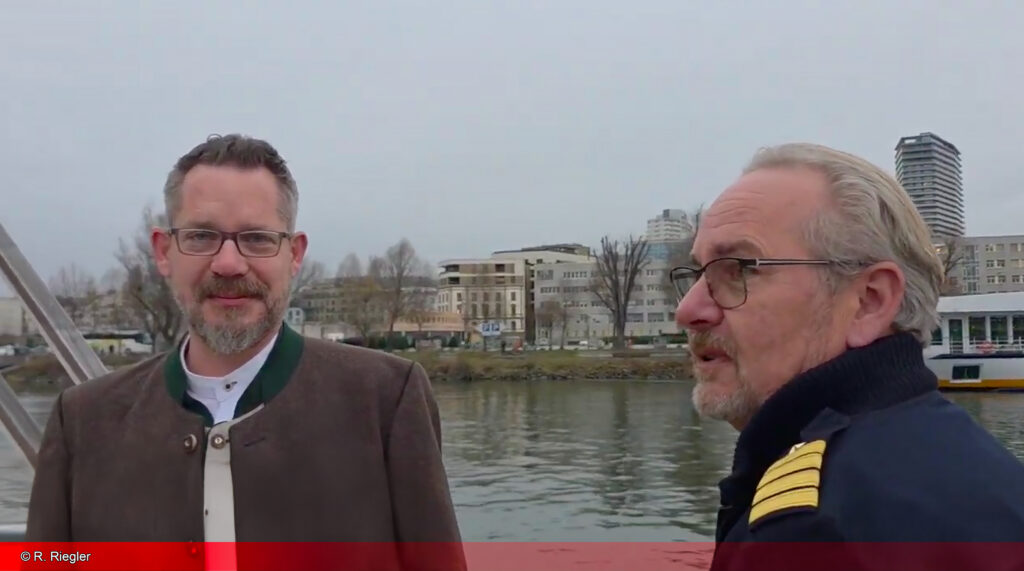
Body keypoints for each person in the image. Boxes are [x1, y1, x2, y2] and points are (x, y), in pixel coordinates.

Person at [26, 134, 465, 570]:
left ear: (294, 255)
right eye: (201, 236)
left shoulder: (385, 401)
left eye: (257, 238)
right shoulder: (83, 422)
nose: (229, 264)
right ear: (164, 252)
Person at [672, 143, 1024, 570]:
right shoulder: (979, 469)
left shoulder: (809, 531)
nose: (687, 310)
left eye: (741, 269)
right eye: (697, 273)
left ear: (869, 301)